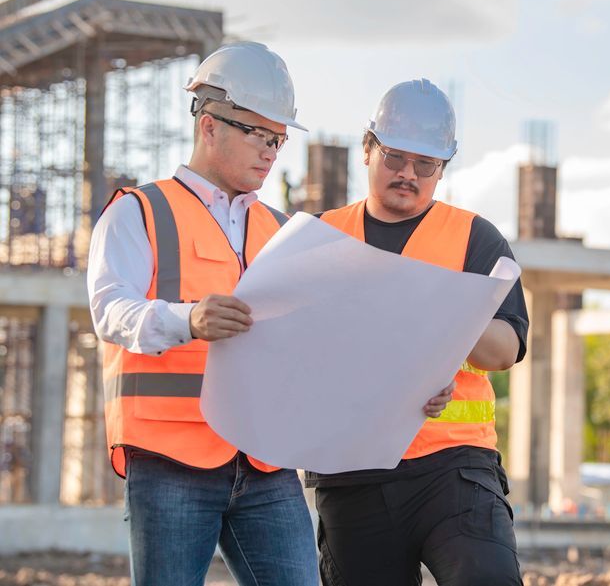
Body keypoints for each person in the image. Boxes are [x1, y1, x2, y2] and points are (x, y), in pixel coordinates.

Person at [88, 45, 453, 585]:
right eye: (259, 135)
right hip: (171, 459)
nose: (271, 152)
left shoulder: (284, 231)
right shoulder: (140, 212)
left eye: (278, 140)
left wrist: (410, 384)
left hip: (266, 460)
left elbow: (326, 344)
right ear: (209, 126)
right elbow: (110, 310)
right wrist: (188, 320)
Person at [308, 79, 529, 585]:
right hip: (352, 471)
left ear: (442, 168)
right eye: (395, 157)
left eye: (425, 164)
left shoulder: (474, 237)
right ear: (368, 150)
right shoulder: (319, 236)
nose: (408, 173)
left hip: (453, 467)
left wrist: (443, 314)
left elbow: (505, 348)